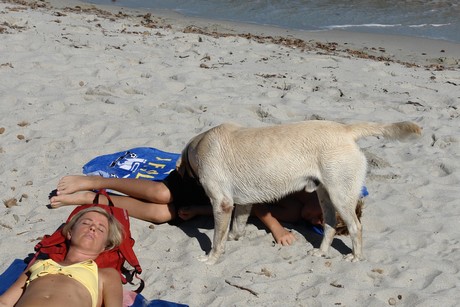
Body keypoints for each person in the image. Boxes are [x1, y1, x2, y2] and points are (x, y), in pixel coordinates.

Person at [49, 171, 362, 246]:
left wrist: (198, 211)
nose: (317, 223)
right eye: (324, 219)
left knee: (161, 215)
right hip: (212, 176)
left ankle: (92, 200)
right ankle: (91, 180)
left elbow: (249, 207)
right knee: (160, 193)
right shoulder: (300, 180)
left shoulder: (294, 213)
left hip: (217, 199)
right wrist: (276, 229)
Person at [0, 207, 124, 307]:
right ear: (70, 233)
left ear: (104, 246)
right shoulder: (39, 263)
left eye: (100, 229)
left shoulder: (106, 275)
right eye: (86, 223)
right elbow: (4, 302)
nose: (92, 228)